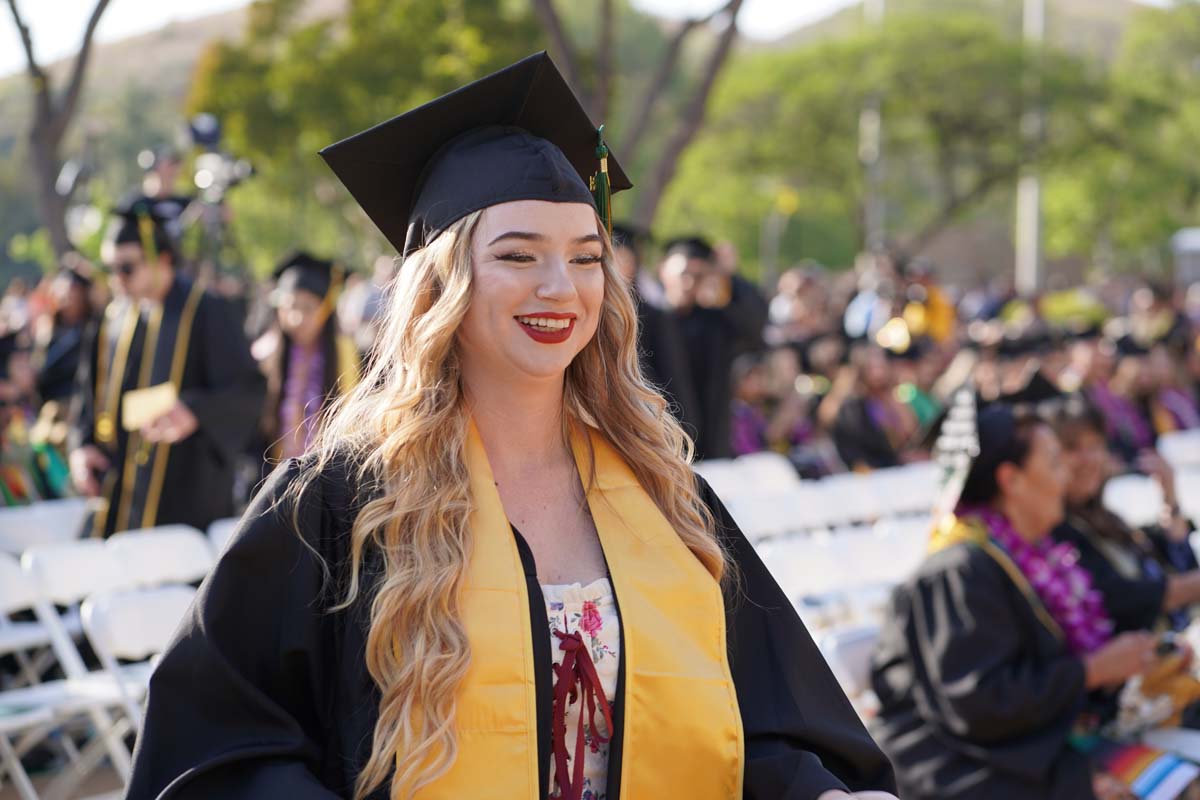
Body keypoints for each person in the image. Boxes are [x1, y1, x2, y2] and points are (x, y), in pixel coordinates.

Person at [125, 53, 897, 800]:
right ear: (443, 285)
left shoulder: (662, 492)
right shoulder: (344, 507)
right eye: (518, 255)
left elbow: (760, 722)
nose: (560, 287)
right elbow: (214, 752)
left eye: (587, 256)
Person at [871, 403, 1198, 799]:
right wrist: (1091, 670)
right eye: (1055, 463)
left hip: (1030, 746)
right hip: (963, 764)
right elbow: (980, 704)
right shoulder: (959, 572)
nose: (1065, 479)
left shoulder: (1033, 558)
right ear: (1012, 479)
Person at [67, 199, 265, 537]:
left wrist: (194, 411)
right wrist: (80, 447)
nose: (116, 279)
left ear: (163, 260)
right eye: (110, 268)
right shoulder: (113, 321)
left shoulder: (206, 311)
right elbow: (87, 399)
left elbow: (248, 391)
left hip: (184, 495)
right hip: (118, 496)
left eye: (127, 268)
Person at [1052, 397, 1200, 633]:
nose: (1088, 458)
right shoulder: (1055, 532)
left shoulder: (1108, 519)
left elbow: (1178, 565)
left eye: (1095, 446)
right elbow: (1116, 599)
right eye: (1072, 448)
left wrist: (1170, 498)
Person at [658, 236, 766, 460]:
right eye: (683, 274)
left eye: (698, 276)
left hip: (711, 437)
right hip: (662, 439)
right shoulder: (645, 319)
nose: (689, 283)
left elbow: (754, 329)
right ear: (663, 271)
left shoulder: (714, 322)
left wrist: (729, 278)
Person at [251, 251, 360, 465]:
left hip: (326, 471)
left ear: (325, 310)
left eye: (308, 307)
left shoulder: (344, 351)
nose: (296, 317)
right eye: (290, 306)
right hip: (274, 472)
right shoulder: (266, 350)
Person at [609, 223, 699, 439]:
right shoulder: (585, 313)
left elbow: (673, 380)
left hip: (647, 428)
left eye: (622, 259)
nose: (614, 267)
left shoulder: (654, 317)